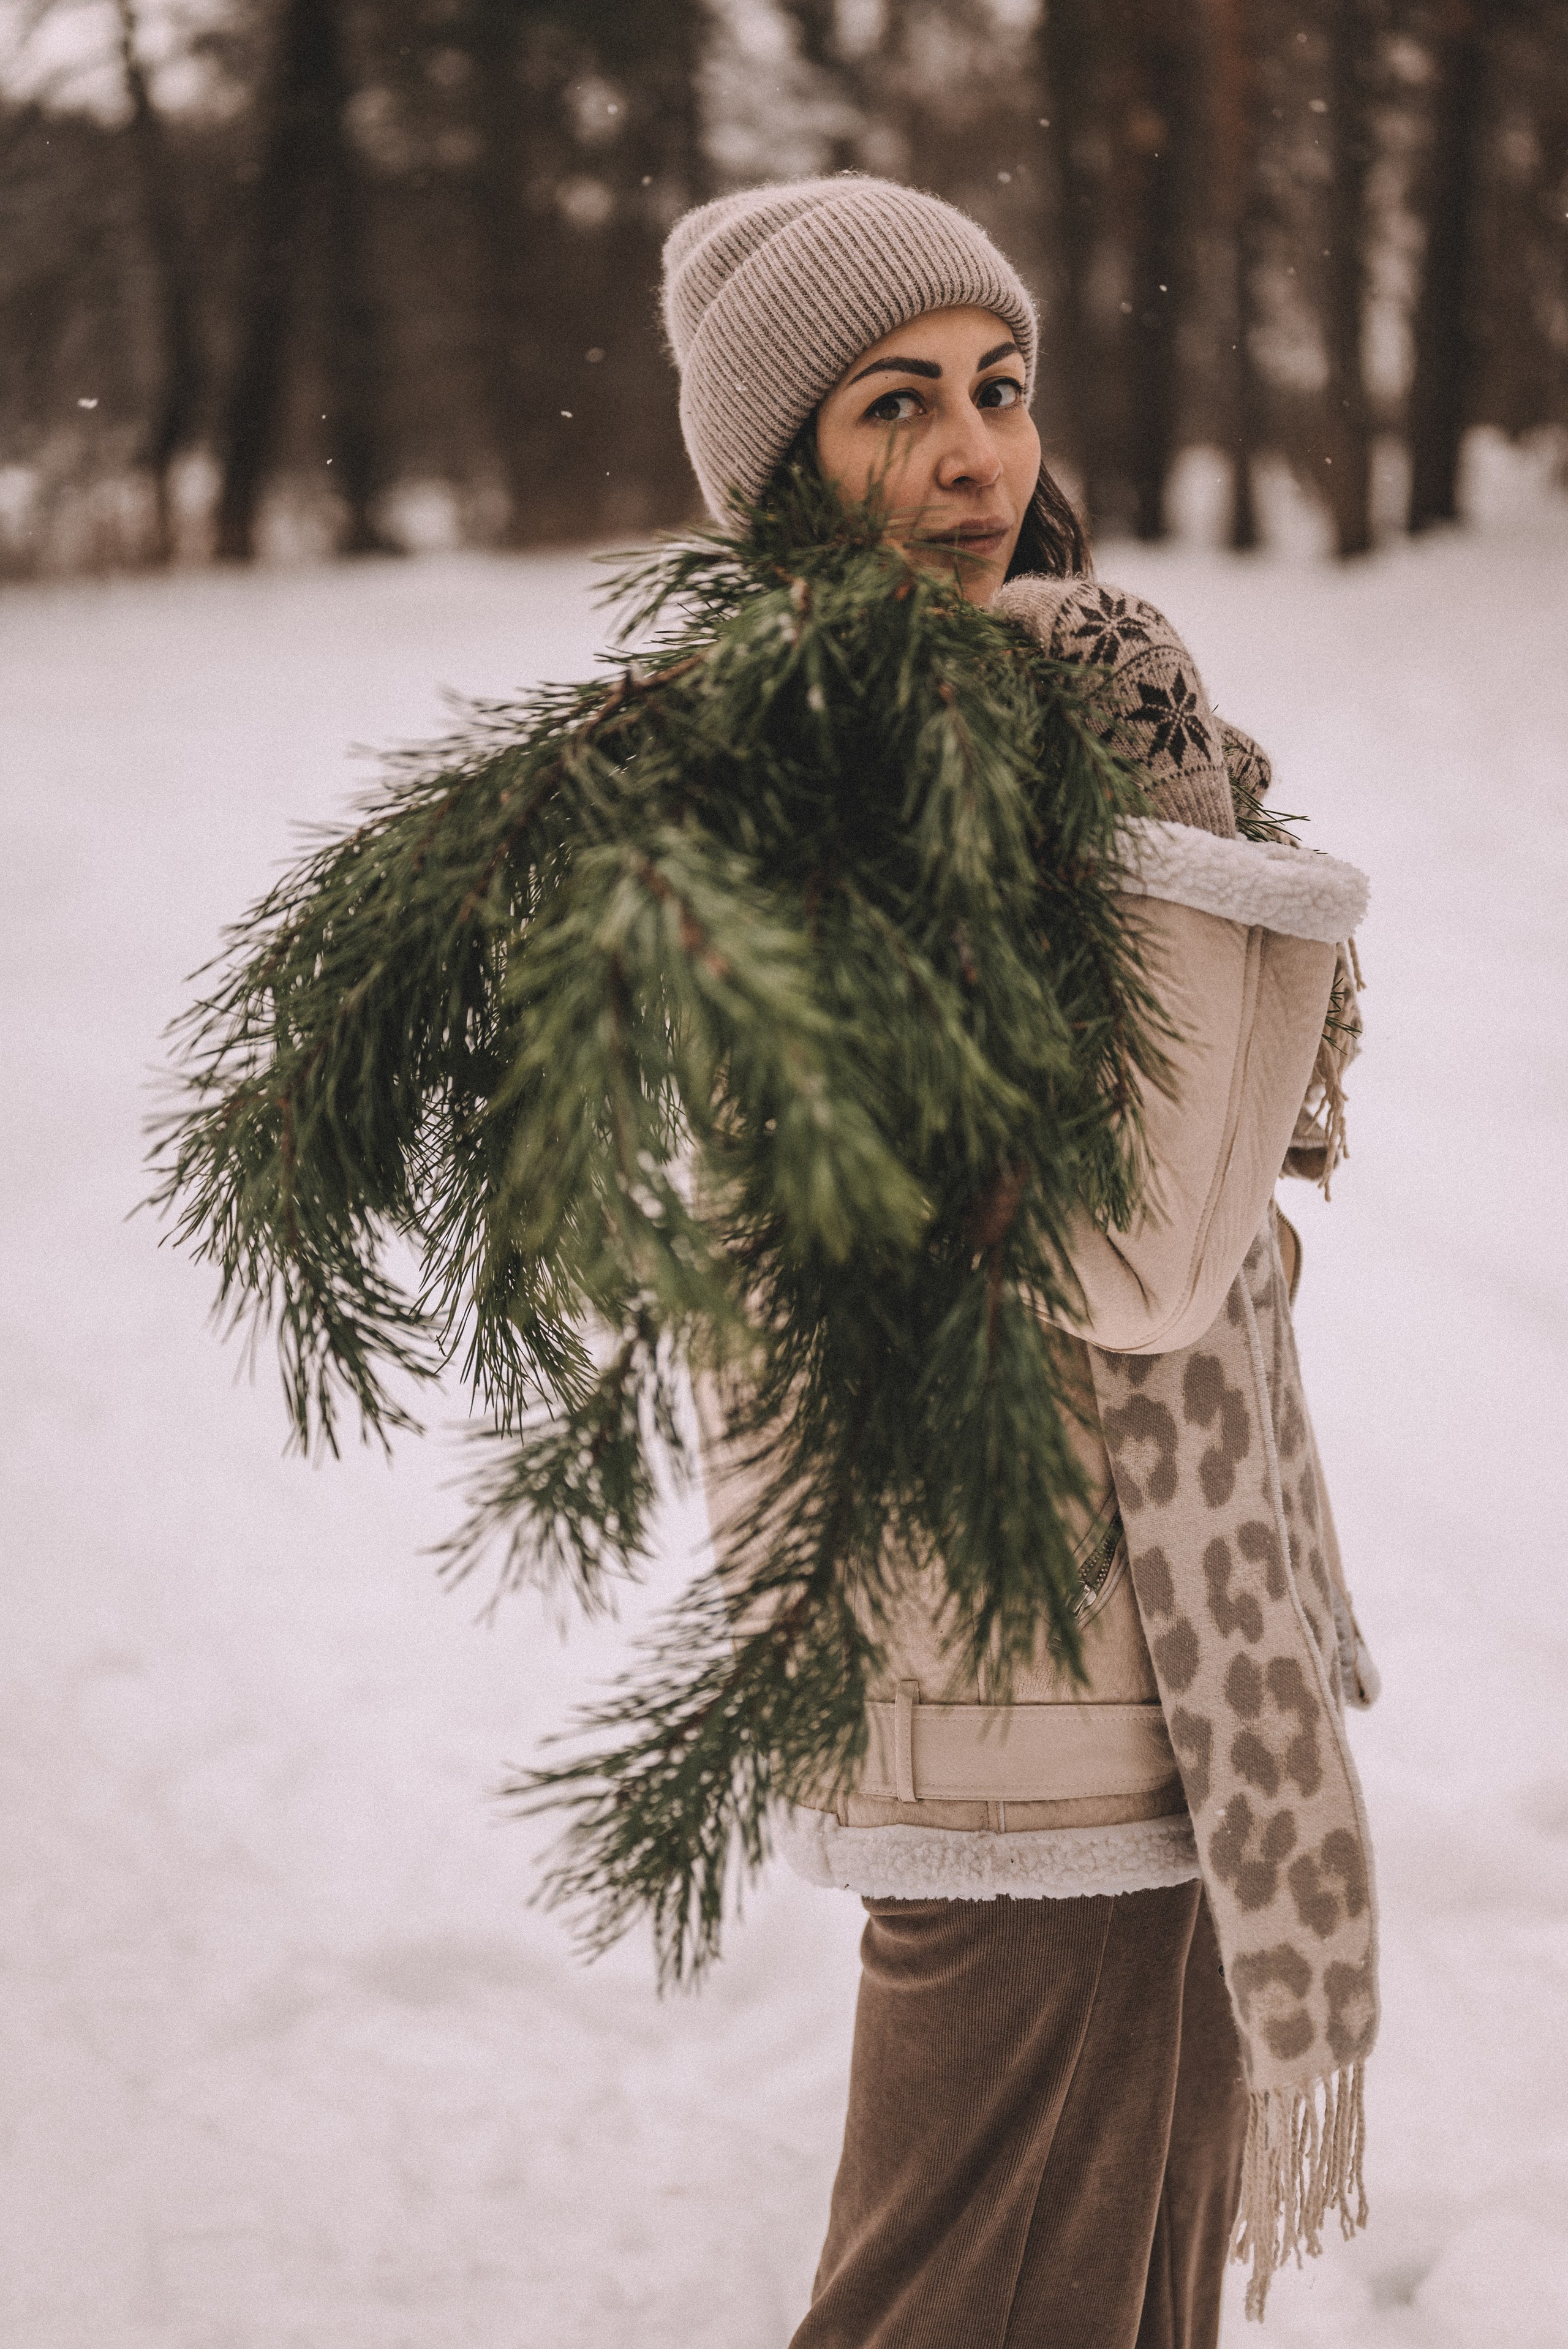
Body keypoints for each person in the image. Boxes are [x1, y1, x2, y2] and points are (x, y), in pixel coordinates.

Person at [662, 176, 1379, 2346]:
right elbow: (1153, 1237)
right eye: (898, 409)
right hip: (1020, 1665)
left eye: (1002, 389)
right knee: (985, 2304)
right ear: (779, 475)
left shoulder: (993, 717)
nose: (984, 458)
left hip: (1147, 1647)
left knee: (1124, 2291)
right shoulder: (829, 777)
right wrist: (1170, 798)